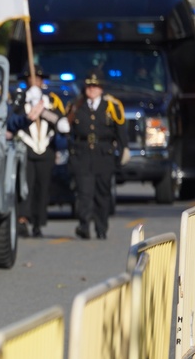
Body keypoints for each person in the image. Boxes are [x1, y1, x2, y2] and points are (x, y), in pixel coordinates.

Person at [67, 72, 128, 240]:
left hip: (104, 154)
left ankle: (101, 227)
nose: (92, 89)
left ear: (101, 88)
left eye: (95, 86)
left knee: (102, 193)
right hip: (82, 153)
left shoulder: (111, 107)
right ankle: (84, 225)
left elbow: (120, 131)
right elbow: (67, 130)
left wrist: (124, 150)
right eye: (89, 86)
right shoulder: (76, 105)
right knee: (84, 192)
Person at [14, 72, 70, 238]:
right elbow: (13, 117)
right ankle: (22, 219)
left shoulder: (52, 100)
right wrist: (27, 102)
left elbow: (62, 123)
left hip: (46, 149)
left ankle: (38, 222)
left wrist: (43, 111)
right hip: (26, 148)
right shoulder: (19, 98)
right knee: (25, 187)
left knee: (42, 187)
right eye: (31, 80)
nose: (34, 83)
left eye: (37, 80)